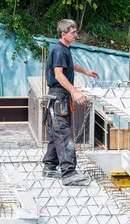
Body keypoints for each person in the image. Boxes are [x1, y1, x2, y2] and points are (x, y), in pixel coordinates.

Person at [42, 19, 100, 186]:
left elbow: (69, 65)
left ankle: (49, 166)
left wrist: (85, 72)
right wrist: (75, 91)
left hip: (59, 96)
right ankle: (69, 173)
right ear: (63, 34)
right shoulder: (59, 50)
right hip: (59, 96)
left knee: (56, 131)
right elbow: (59, 75)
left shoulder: (63, 49)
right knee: (64, 133)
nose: (76, 35)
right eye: (73, 32)